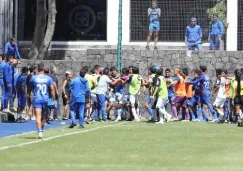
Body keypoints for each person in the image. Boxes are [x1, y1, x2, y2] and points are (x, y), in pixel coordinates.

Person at [29, 63, 55, 139]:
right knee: (43, 117)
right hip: (45, 99)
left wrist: (28, 93)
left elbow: (30, 87)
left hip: (37, 98)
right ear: (43, 69)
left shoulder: (34, 78)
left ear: (38, 69)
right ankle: (40, 131)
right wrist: (54, 98)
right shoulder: (48, 78)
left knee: (38, 116)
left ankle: (40, 131)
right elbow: (52, 89)